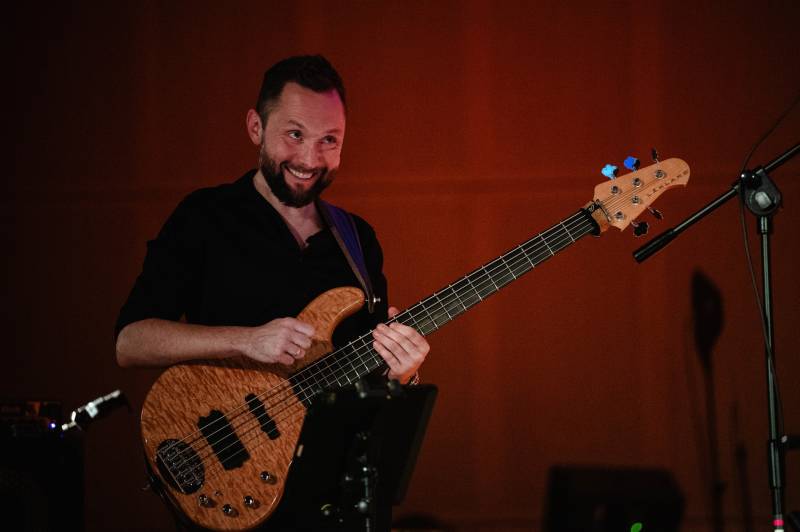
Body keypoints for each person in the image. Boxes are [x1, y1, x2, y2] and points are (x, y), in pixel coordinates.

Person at [115, 55, 429, 386]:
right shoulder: (204, 216)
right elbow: (130, 342)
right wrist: (246, 340)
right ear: (256, 128)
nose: (309, 160)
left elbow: (372, 380)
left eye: (329, 140)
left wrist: (401, 374)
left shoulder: (358, 238)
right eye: (295, 134)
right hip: (227, 420)